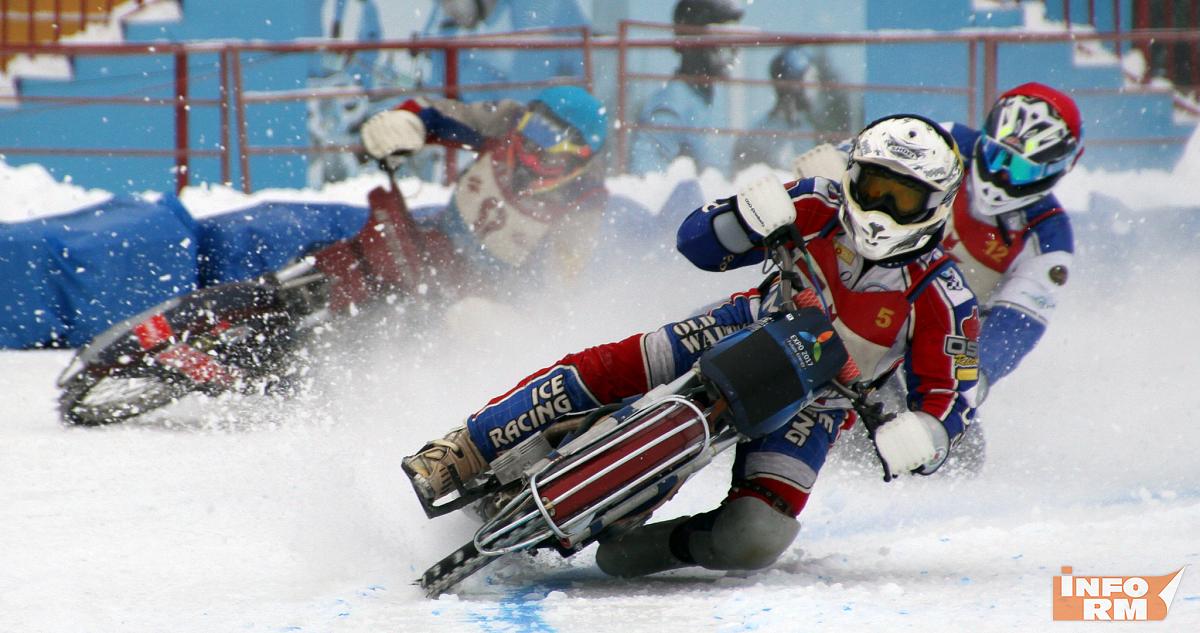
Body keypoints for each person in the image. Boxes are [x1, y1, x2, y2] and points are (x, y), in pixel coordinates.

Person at [401, 114, 980, 578]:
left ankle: (643, 549)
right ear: (852, 176)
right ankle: (466, 448)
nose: (881, 209)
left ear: (936, 207)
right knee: (616, 365)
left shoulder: (945, 298)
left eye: (903, 199)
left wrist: (923, 437)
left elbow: (949, 401)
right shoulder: (815, 201)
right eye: (874, 188)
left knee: (755, 538)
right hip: (746, 325)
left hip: (822, 404)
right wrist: (741, 217)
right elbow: (696, 243)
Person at [792, 83, 1081, 467]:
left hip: (927, 335)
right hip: (841, 281)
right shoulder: (943, 140)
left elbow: (1019, 322)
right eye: (996, 157)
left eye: (1023, 169)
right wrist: (829, 173)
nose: (1003, 177)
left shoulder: (1050, 236)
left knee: (959, 453)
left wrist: (980, 371)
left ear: (1056, 172)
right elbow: (855, 163)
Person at [325, 85, 609, 310]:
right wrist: (408, 122)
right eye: (532, 133)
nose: (529, 153)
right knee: (359, 255)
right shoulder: (507, 121)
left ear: (577, 159)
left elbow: (558, 289)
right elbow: (439, 113)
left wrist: (517, 319)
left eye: (546, 149)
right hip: (437, 247)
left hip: (491, 297)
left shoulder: (583, 203)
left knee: (460, 319)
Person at [628, 0, 745, 175]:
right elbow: (646, 184)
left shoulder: (708, 99)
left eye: (735, 38)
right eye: (722, 36)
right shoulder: (670, 110)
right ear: (692, 42)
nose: (733, 48)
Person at [731, 46, 850, 174]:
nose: (817, 87)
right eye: (812, 79)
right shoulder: (757, 136)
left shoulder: (806, 129)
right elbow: (745, 183)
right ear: (794, 84)